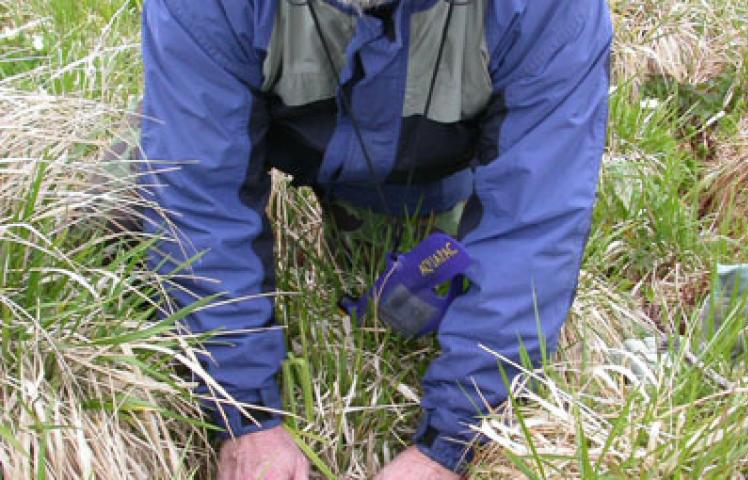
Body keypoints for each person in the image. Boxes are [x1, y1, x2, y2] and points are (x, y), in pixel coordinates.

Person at [139, 0, 613, 478]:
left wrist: (452, 443)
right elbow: (196, 194)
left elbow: (533, 222)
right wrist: (240, 414)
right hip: (287, 133)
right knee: (120, 215)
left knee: (421, 292)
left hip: (425, 164)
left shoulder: (548, 10)